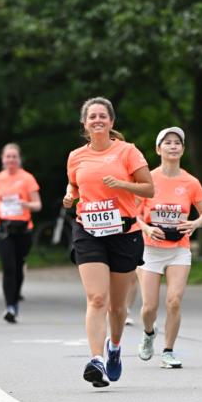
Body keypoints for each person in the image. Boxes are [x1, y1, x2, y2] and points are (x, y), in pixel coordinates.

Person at [63, 97, 153, 387]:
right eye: (92, 117)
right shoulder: (76, 156)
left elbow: (149, 188)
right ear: (85, 124)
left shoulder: (127, 152)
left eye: (103, 116)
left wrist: (123, 185)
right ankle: (96, 359)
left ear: (111, 122)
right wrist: (69, 196)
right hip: (88, 230)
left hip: (124, 234)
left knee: (117, 307)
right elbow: (75, 185)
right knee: (96, 298)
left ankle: (114, 348)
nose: (98, 120)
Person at [136, 127, 202, 368]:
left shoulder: (191, 182)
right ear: (158, 149)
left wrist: (195, 223)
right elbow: (131, 213)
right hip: (150, 249)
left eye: (177, 142)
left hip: (179, 249)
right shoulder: (147, 180)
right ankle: (149, 334)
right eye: (167, 142)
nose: (173, 146)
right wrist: (146, 228)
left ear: (183, 149)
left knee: (174, 301)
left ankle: (168, 351)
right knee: (149, 307)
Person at [0, 143, 41, 323]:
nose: (11, 160)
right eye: (7, 156)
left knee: (18, 266)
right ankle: (10, 306)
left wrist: (26, 205)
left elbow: (37, 204)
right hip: (3, 228)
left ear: (19, 159)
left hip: (23, 228)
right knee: (8, 267)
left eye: (14, 156)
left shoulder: (27, 178)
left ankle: (15, 298)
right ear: (2, 159)